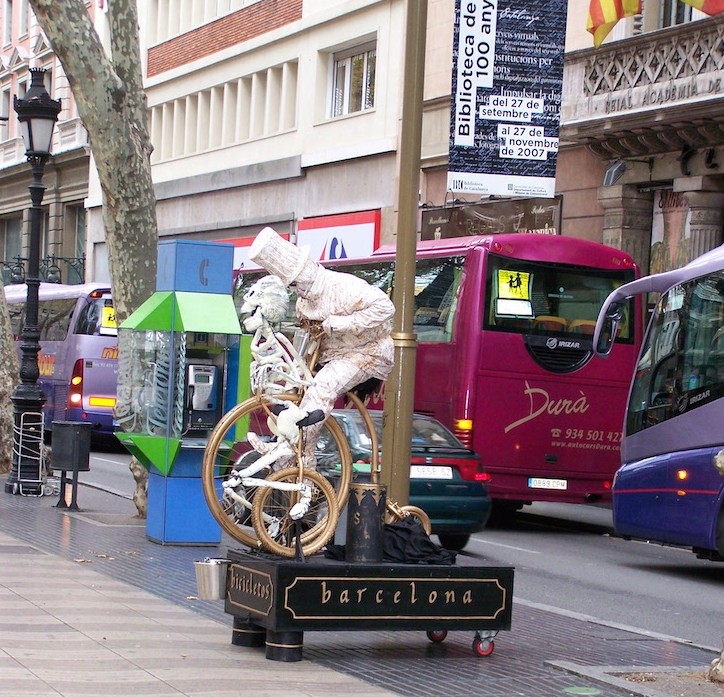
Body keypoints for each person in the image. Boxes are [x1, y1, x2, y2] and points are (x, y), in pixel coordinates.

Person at [239, 227, 395, 515]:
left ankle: (305, 459)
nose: (298, 288)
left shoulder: (343, 287)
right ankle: (285, 448)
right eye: (293, 284)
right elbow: (310, 338)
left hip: (367, 353)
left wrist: (342, 323)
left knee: (323, 387)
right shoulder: (303, 302)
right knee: (296, 393)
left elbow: (385, 307)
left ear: (308, 268)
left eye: (298, 280)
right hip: (330, 354)